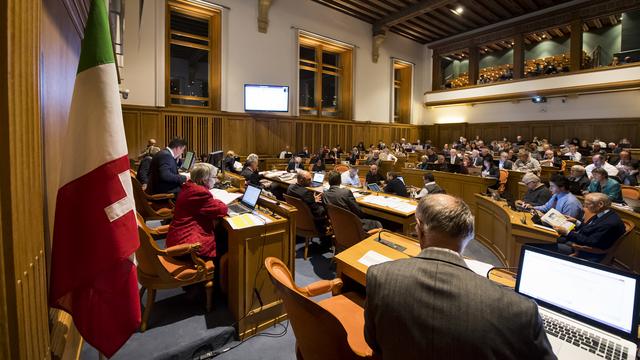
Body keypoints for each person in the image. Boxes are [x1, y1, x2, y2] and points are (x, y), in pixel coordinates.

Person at [364, 194, 556, 360]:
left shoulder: (379, 276)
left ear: (419, 229)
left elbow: (373, 342)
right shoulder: (520, 309)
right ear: (470, 235)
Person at [166, 163, 228, 260]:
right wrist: (217, 200)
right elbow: (222, 209)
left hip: (177, 238)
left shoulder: (188, 186)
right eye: (214, 177)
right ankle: (217, 273)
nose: (216, 180)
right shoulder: (200, 192)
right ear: (204, 180)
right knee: (226, 243)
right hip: (188, 246)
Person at [549, 193, 626, 262]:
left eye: (587, 204)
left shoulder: (609, 223)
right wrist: (576, 222)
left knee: (546, 245)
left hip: (585, 252)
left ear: (600, 204)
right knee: (548, 238)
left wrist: (567, 232)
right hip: (578, 243)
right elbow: (592, 228)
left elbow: (590, 241)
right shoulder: (605, 214)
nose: (584, 207)